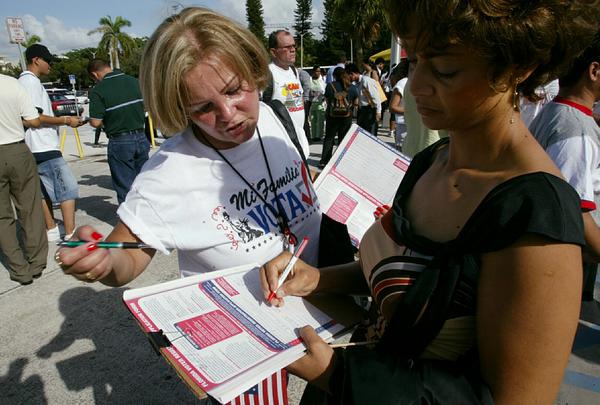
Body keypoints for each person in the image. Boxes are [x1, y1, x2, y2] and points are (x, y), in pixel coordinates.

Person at [260, 1, 599, 403]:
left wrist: (337, 375)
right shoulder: (430, 161)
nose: (417, 85)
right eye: (414, 60)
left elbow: (510, 399)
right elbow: (409, 275)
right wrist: (317, 278)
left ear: (517, 66)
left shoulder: (536, 214)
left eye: (445, 70)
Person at [529, 30, 600, 324]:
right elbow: (572, 213)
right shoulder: (576, 130)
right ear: (594, 71)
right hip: (556, 267)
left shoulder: (555, 112)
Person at [19, 44, 82, 242]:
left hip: (31, 146)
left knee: (42, 191)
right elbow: (34, 116)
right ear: (36, 60)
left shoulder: (22, 82)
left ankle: (52, 228)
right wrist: (66, 120)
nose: (51, 66)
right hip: (43, 144)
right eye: (49, 61)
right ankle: (70, 233)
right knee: (67, 188)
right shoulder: (31, 83)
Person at [0, 74, 47, 285]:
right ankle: (36, 262)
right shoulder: (12, 84)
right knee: (30, 208)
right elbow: (34, 121)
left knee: (2, 217)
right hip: (17, 149)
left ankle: (19, 269)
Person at [87, 59, 150, 205]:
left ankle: (129, 223)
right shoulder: (134, 81)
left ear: (95, 74)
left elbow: (96, 122)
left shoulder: (98, 90)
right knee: (144, 181)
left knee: (125, 186)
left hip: (120, 141)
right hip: (141, 136)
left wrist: (90, 120)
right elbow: (146, 107)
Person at [263, 29, 310, 157]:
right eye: (287, 47)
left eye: (294, 46)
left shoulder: (294, 71)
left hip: (299, 140)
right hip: (281, 146)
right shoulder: (268, 74)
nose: (293, 49)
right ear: (273, 52)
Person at [320, 67, 358, 167]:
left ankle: (324, 161)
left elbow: (327, 101)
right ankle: (341, 161)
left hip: (332, 116)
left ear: (334, 76)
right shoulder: (352, 87)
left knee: (329, 138)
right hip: (346, 116)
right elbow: (356, 102)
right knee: (343, 138)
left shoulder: (329, 86)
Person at [346, 62, 382, 136]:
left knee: (371, 134)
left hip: (370, 110)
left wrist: (378, 112)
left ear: (352, 74)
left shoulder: (366, 81)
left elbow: (376, 97)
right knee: (362, 134)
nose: (348, 78)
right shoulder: (356, 83)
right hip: (362, 110)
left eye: (348, 76)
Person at [388, 59, 409, 151]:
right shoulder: (403, 83)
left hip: (410, 128)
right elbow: (392, 107)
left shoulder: (409, 82)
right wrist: (413, 111)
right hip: (404, 127)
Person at [308, 66, 326, 141]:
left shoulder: (322, 80)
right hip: (312, 103)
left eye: (319, 71)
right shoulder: (309, 80)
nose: (318, 73)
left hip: (320, 103)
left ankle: (319, 136)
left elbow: (323, 90)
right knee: (313, 120)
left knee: (320, 120)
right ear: (313, 72)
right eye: (316, 71)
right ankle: (314, 136)